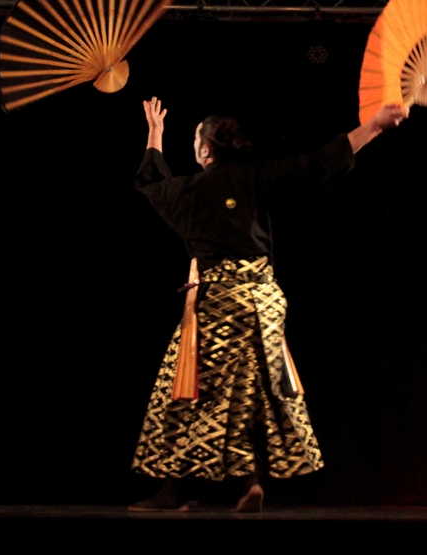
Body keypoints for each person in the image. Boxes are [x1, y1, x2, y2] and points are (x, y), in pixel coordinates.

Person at [130, 97, 407, 511]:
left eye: (194, 140)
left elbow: (154, 185)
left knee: (186, 389)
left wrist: (155, 135)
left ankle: (178, 488)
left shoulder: (189, 192)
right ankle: (246, 484)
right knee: (248, 394)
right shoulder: (260, 180)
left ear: (205, 149)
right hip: (262, 304)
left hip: (219, 303)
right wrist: (374, 126)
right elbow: (319, 163)